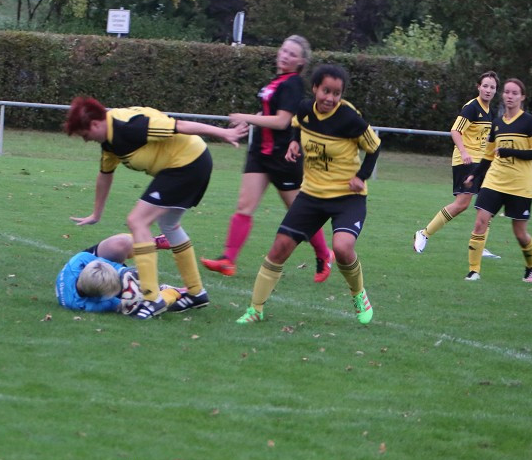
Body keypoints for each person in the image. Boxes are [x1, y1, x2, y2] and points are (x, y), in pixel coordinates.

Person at [64, 96, 248, 319]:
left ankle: (152, 299)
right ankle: (196, 293)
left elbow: (181, 126)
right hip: (184, 165)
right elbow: (105, 174)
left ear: (94, 124)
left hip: (188, 162)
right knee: (169, 225)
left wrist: (224, 133)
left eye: (85, 135)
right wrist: (96, 213)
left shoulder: (130, 125)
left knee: (137, 221)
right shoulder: (110, 141)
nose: (86, 140)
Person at [235, 64, 381, 325]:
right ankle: (255, 309)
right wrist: (293, 141)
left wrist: (361, 177)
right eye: (326, 91)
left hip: (347, 197)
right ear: (315, 88)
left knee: (342, 248)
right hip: (312, 195)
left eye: (336, 93)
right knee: (279, 248)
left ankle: (359, 294)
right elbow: (295, 124)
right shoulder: (304, 109)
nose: (330, 98)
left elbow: (374, 147)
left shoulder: (350, 118)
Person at [200, 35, 334, 283]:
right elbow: (269, 112)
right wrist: (248, 120)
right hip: (260, 153)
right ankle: (227, 260)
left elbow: (282, 121)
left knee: (298, 213)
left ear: (301, 62)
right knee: (244, 206)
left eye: (292, 54)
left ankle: (324, 254)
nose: (285, 55)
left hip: (283, 156)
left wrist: (246, 117)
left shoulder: (293, 83)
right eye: (283, 50)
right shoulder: (278, 81)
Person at [463, 78, 532, 282]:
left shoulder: (529, 122)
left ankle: (531, 264)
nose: (509, 96)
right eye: (507, 92)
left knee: (520, 233)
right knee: (480, 222)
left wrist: (509, 151)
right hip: (494, 181)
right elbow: (489, 155)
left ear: (522, 97)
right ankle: (474, 270)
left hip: (519, 184)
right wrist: (475, 174)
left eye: (514, 93)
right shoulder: (497, 124)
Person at [413, 71, 500, 256]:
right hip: (466, 161)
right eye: (485, 86)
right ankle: (424, 233)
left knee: (487, 205)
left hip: (482, 163)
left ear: (495, 91)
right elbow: (455, 130)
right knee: (462, 204)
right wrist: (464, 151)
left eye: (492, 87)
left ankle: (479, 245)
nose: (488, 90)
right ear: (478, 87)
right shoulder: (472, 107)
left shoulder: (490, 112)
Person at [55, 233, 189, 314]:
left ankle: (152, 242)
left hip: (93, 279)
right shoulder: (81, 305)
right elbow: (122, 305)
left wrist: (125, 272)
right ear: (100, 297)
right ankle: (174, 292)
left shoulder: (77, 263)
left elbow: (104, 264)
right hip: (97, 291)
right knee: (142, 304)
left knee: (120, 244)